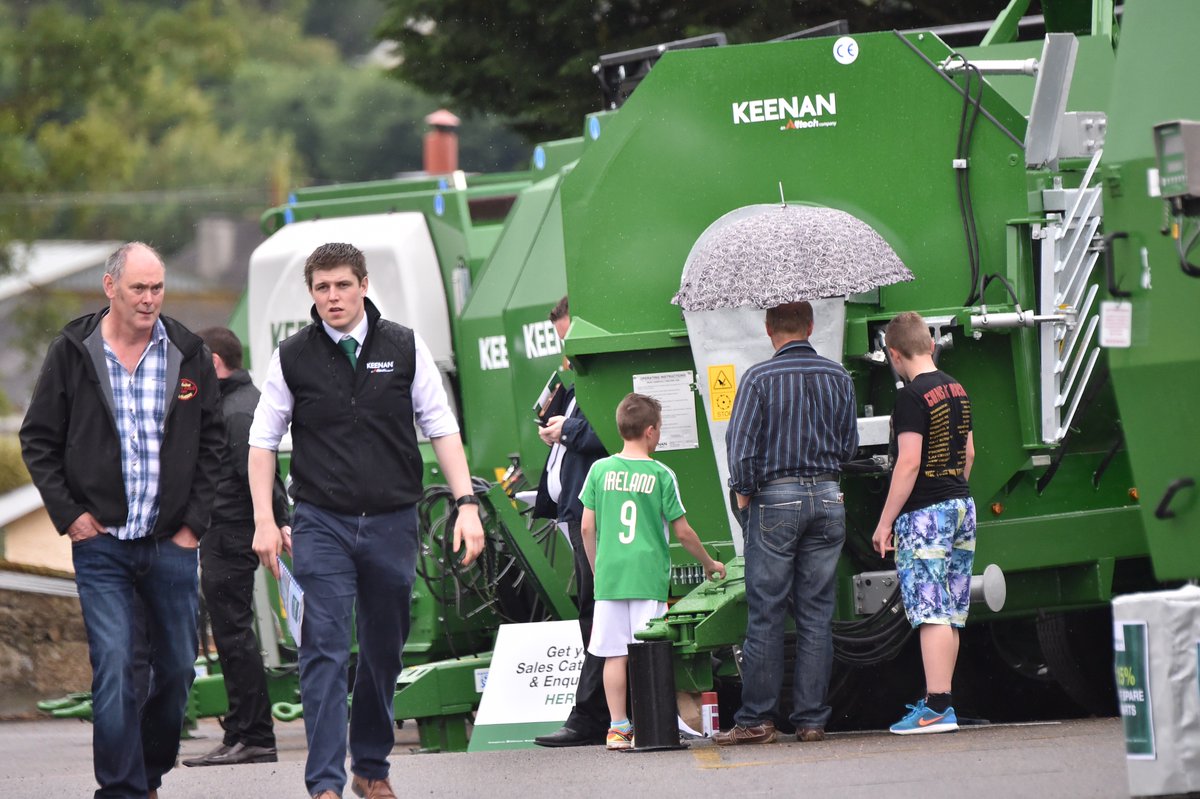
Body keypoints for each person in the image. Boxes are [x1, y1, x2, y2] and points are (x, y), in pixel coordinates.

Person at [248, 242, 484, 799]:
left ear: (363, 284)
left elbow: (441, 426)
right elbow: (261, 443)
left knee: (384, 650)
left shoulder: (403, 346)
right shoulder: (292, 356)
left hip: (391, 522)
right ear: (311, 293)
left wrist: (466, 504)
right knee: (323, 649)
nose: (333, 297)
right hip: (320, 523)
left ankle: (371, 767)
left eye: (342, 285)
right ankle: (325, 784)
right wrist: (264, 518)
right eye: (322, 287)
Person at [20, 241, 223, 798]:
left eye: (157, 288)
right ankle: (121, 791)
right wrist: (73, 517)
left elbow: (212, 444)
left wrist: (192, 527)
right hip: (102, 545)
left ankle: (148, 774)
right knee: (114, 669)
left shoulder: (188, 351)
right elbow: (38, 441)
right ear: (111, 287)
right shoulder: (72, 349)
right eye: (139, 288)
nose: (150, 299)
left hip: (170, 545)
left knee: (180, 671)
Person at [715, 301, 858, 746]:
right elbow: (849, 447)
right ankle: (812, 720)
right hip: (829, 497)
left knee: (767, 613)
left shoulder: (758, 378)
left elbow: (740, 450)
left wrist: (745, 497)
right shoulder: (839, 377)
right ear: (811, 326)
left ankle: (757, 719)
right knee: (817, 614)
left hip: (774, 499)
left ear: (768, 329)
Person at [579, 393, 725, 750]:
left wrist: (599, 569)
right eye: (658, 430)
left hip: (611, 576)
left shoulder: (599, 470)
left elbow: (586, 528)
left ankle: (617, 728)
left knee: (615, 654)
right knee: (649, 653)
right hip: (647, 576)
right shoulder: (661, 474)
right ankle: (653, 725)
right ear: (650, 431)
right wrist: (710, 564)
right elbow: (683, 532)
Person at [183, 327, 291, 768]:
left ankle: (255, 736)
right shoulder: (235, 404)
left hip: (231, 533)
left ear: (212, 362)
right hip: (226, 530)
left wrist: (279, 520)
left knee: (235, 638)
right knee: (231, 638)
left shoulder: (238, 409)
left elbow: (265, 472)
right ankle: (239, 734)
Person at [871, 311, 976, 735]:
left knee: (930, 612)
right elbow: (968, 454)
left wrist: (885, 522)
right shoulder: (957, 389)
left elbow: (909, 461)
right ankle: (943, 699)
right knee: (950, 611)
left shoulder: (911, 397)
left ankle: (935, 708)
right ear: (931, 345)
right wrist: (952, 491)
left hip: (925, 515)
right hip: (961, 506)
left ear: (893, 354)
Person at [531, 296, 610, 748]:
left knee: (595, 613)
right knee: (589, 613)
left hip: (591, 517)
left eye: (569, 341)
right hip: (574, 515)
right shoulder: (576, 384)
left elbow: (621, 431)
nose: (565, 352)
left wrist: (570, 431)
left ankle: (591, 717)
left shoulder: (603, 384)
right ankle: (600, 713)